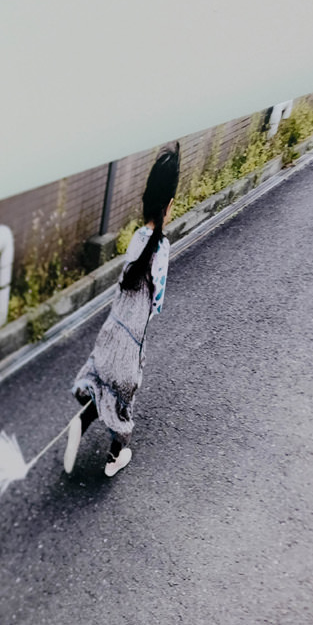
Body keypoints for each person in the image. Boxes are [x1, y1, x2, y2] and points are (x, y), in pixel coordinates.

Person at [66, 147, 180, 477]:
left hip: (110, 334)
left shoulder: (136, 239)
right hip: (130, 347)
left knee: (101, 385)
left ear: (145, 202)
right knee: (122, 401)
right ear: (169, 206)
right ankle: (114, 457)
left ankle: (81, 423)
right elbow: (156, 303)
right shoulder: (162, 247)